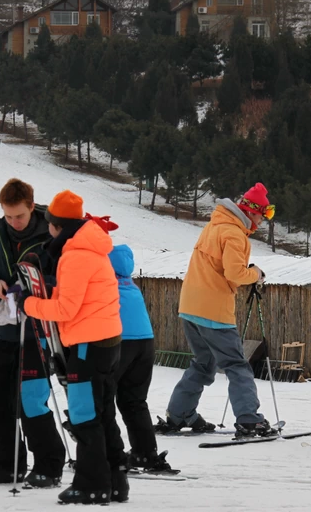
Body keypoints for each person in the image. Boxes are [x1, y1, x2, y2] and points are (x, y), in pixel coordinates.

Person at [18, 191, 128, 505]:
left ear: (58, 225)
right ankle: (115, 481)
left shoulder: (76, 255)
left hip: (87, 345)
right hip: (105, 340)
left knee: (84, 415)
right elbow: (76, 300)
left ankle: (92, 484)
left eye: (50, 223)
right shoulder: (90, 247)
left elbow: (66, 310)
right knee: (103, 414)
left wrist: (30, 304)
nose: (47, 229)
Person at [0, 178, 65, 488]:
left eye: (19, 216)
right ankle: (7, 462)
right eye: (8, 216)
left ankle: (49, 465)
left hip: (38, 330)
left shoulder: (52, 234)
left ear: (31, 208)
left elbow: (64, 275)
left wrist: (38, 286)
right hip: (4, 330)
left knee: (31, 402)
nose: (14, 222)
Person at [160, 183, 275, 439]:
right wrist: (256, 274)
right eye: (265, 214)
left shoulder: (214, 226)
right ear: (252, 211)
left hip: (190, 306)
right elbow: (235, 273)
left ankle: (180, 414)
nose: (264, 221)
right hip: (214, 311)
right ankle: (249, 420)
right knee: (236, 365)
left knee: (203, 363)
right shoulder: (234, 234)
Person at [107, 242, 174, 473]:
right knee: (134, 401)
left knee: (102, 400)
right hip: (145, 342)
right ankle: (145, 454)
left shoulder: (105, 284)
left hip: (117, 342)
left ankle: (106, 455)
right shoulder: (130, 284)